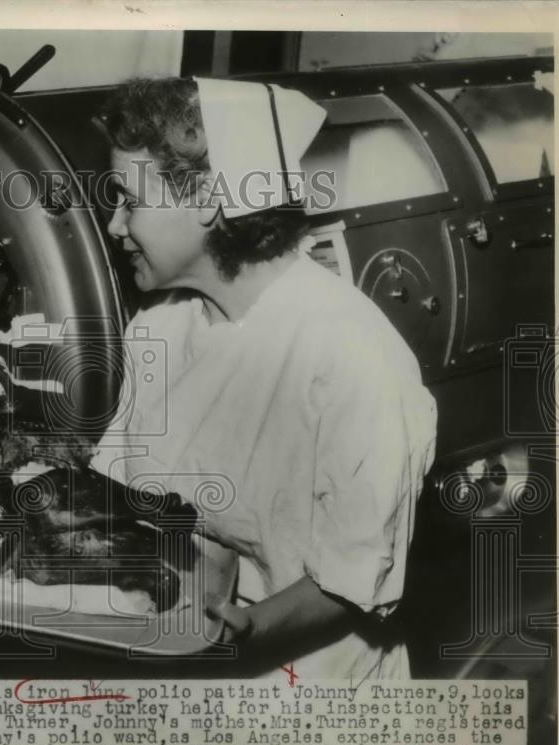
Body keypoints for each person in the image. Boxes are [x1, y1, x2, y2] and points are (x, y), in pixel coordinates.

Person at [91, 77, 437, 680]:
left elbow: (354, 583)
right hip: (180, 652)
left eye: (129, 199)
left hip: (315, 696)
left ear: (205, 198)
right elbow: (141, 507)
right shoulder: (160, 326)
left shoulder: (350, 354)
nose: (116, 225)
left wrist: (240, 634)